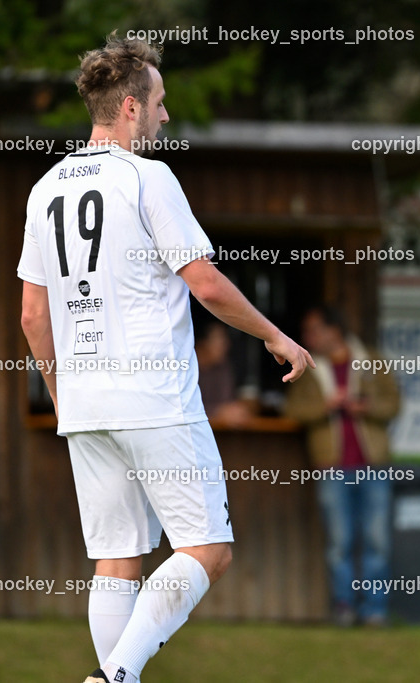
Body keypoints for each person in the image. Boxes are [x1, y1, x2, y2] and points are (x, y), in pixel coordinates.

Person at [17, 34, 313, 683]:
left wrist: (61, 392)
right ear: (130, 107)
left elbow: (33, 316)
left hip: (86, 400)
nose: (166, 116)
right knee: (206, 547)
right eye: (160, 102)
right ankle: (116, 675)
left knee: (116, 559)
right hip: (152, 394)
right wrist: (276, 336)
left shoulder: (45, 190)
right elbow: (203, 281)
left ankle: (114, 675)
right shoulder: (149, 177)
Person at [284, 307, 400, 627]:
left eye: (314, 330)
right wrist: (327, 406)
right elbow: (293, 411)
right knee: (340, 543)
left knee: (377, 540)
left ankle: (375, 610)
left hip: (373, 464)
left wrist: (366, 408)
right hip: (331, 467)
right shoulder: (307, 366)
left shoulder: (371, 359)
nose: (308, 338)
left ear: (334, 330)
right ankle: (345, 607)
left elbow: (394, 404)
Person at [194, 318, 255, 425]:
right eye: (219, 340)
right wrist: (218, 412)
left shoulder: (224, 367)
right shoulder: (186, 369)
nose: (225, 345)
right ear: (202, 343)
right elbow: (185, 407)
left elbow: (228, 401)